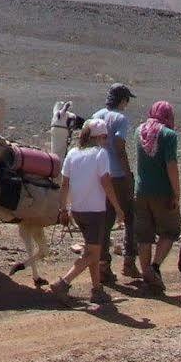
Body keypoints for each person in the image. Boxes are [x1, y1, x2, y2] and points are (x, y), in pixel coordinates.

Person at [52, 117, 125, 306]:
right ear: (99, 136)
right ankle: (63, 282)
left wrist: (63, 209)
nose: (106, 140)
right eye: (104, 137)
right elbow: (106, 183)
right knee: (93, 254)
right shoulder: (101, 154)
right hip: (95, 211)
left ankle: (97, 289)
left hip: (78, 210)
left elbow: (65, 184)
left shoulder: (73, 154)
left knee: (93, 249)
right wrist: (118, 208)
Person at [130, 100, 181, 294]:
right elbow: (171, 165)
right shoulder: (169, 135)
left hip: (141, 191)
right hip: (162, 192)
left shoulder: (139, 131)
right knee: (170, 231)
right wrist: (176, 193)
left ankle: (146, 277)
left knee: (144, 235)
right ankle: (155, 267)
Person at [95, 83, 139, 284]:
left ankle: (103, 265)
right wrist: (128, 173)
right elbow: (120, 147)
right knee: (130, 216)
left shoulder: (96, 116)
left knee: (105, 220)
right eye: (126, 100)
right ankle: (129, 262)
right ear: (122, 100)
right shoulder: (120, 119)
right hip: (118, 175)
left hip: (99, 172)